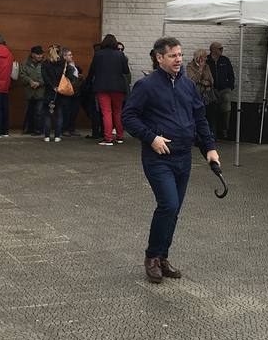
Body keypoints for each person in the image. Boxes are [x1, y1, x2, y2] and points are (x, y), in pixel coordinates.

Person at [121, 36, 219, 283]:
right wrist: (151, 137)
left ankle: (163, 257)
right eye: (173, 55)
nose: (178, 60)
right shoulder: (146, 86)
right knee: (168, 204)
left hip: (183, 157)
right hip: (158, 158)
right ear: (159, 58)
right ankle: (152, 257)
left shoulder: (187, 85)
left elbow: (200, 117)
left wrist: (209, 148)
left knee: (174, 211)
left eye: (180, 55)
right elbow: (129, 117)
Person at [90, 34, 130, 145]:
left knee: (106, 112)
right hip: (118, 87)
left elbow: (92, 70)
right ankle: (120, 136)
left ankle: (108, 138)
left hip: (102, 86)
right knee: (118, 112)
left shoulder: (98, 54)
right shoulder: (120, 55)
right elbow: (126, 71)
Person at [208, 41, 235, 140]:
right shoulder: (207, 60)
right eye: (220, 48)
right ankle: (213, 132)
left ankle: (225, 128)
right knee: (212, 108)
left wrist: (230, 86)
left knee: (226, 104)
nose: (222, 50)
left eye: (222, 48)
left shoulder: (225, 60)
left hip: (224, 88)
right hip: (211, 89)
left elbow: (231, 74)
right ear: (213, 50)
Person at [18, 45, 44, 135]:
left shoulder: (45, 64)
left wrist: (39, 83)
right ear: (32, 54)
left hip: (41, 92)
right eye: (38, 54)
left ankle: (38, 130)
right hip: (29, 92)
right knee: (29, 111)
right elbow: (22, 75)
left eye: (41, 54)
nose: (40, 56)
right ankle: (28, 129)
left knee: (39, 112)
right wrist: (30, 81)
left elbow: (48, 76)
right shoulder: (25, 63)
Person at [60, 48, 83, 136]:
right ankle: (65, 128)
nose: (71, 56)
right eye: (69, 55)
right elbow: (69, 77)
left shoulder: (73, 65)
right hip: (68, 90)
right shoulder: (63, 66)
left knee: (74, 110)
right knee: (66, 111)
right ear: (64, 56)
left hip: (76, 91)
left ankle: (71, 128)